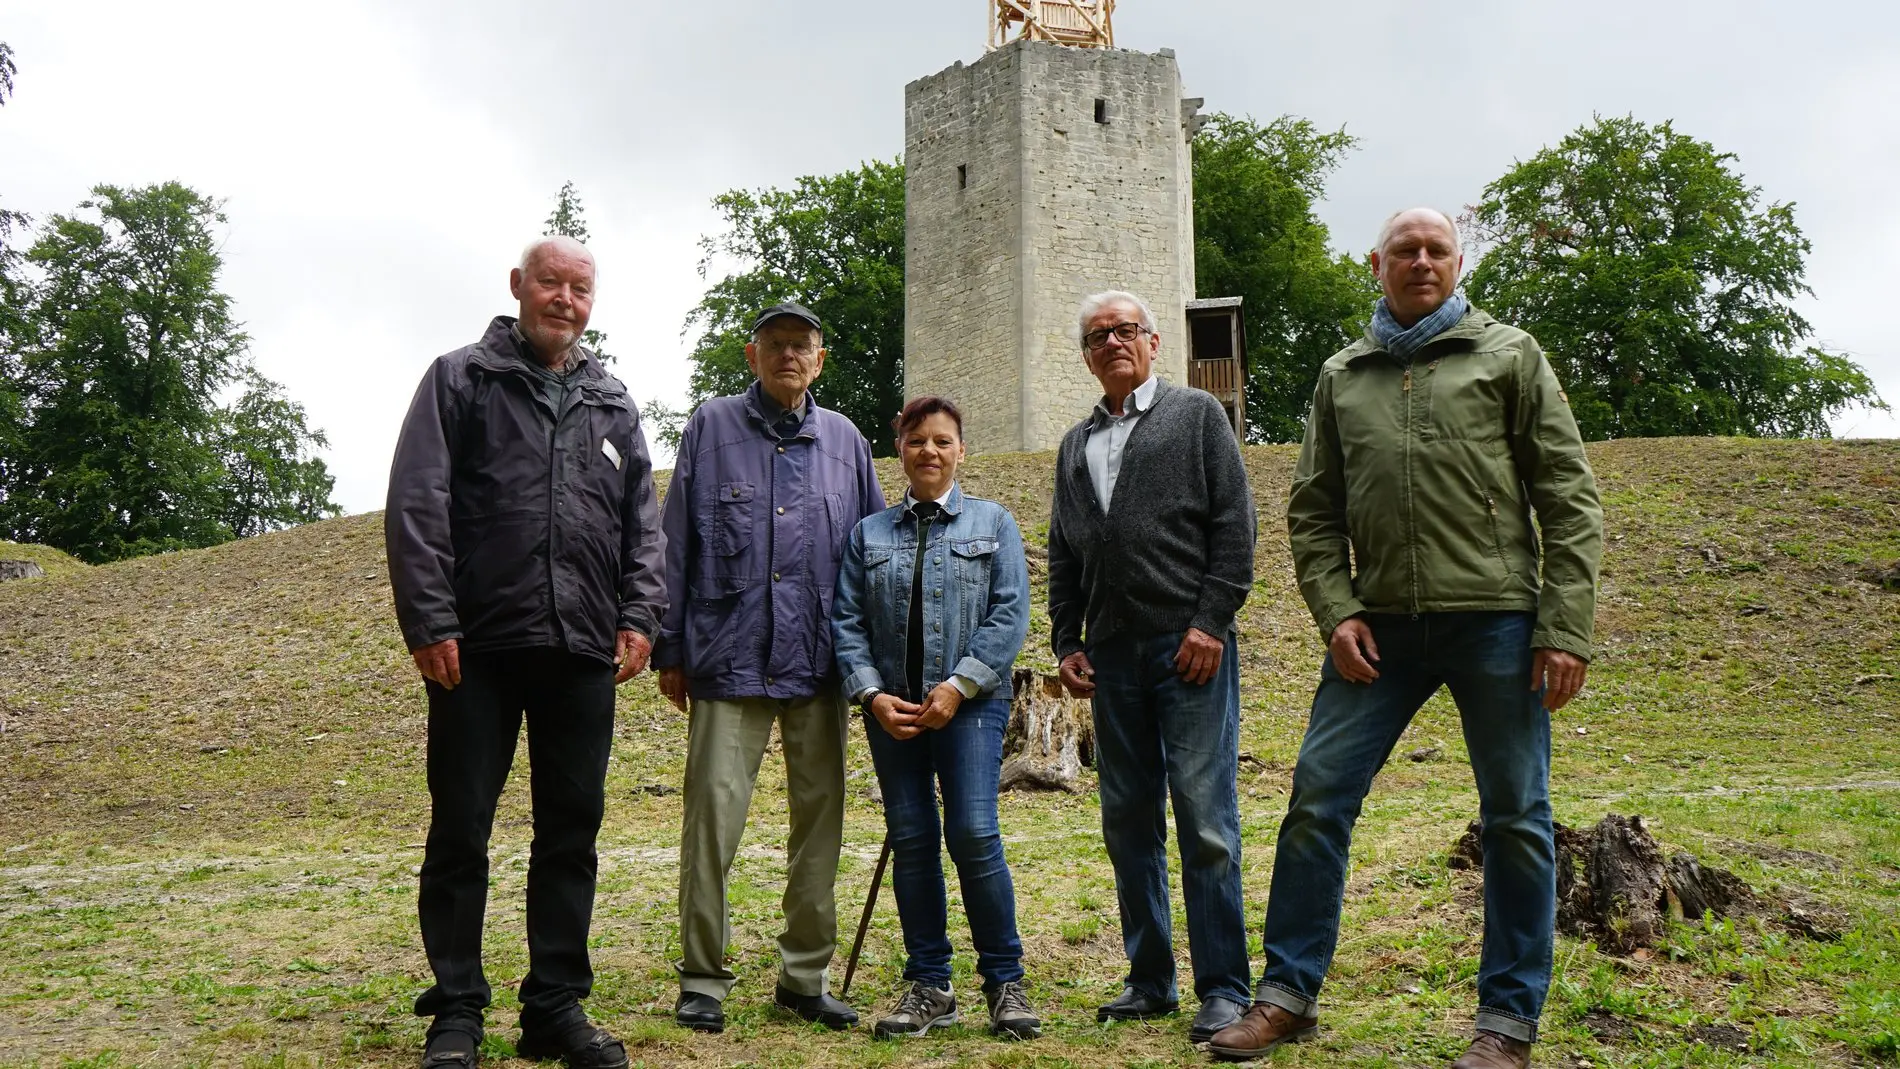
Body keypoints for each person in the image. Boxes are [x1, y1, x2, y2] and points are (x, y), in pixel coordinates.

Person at [1208, 208, 1604, 1069]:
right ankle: (1286, 994)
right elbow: (1313, 512)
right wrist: (1337, 610)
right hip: (1377, 629)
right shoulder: (1342, 375)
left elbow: (1568, 497)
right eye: (1404, 252)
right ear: (1376, 264)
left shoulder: (1509, 355)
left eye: (1435, 251)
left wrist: (1564, 626)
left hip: (1498, 621)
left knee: (1517, 817)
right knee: (1317, 795)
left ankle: (1506, 1023)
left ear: (1460, 262)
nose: (1420, 262)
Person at [386, 236, 663, 1069]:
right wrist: (429, 619)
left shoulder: (612, 401)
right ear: (518, 286)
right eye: (552, 283)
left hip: (582, 647)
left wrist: (640, 615)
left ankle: (552, 1005)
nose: (566, 300)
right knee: (462, 827)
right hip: (476, 648)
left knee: (571, 831)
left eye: (581, 289)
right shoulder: (459, 379)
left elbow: (641, 523)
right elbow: (417, 500)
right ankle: (457, 1011)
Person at [655, 302, 886, 1034]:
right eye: (776, 344)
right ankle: (702, 977)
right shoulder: (710, 426)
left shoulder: (847, 441)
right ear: (752, 356)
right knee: (711, 824)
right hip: (727, 659)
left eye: (803, 346)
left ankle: (803, 975)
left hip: (820, 663)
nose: (790, 355)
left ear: (820, 361)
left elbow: (874, 555)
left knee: (820, 825)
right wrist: (670, 647)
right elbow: (675, 542)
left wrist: (880, 662)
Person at [1047, 290, 1259, 1045]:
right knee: (1127, 820)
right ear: (1086, 353)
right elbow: (1066, 551)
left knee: (1205, 817)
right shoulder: (1075, 444)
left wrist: (1210, 623)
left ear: (1154, 341)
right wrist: (1065, 640)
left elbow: (1236, 525)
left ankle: (1226, 988)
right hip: (1109, 659)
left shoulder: (1198, 415)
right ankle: (1150, 977)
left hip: (1189, 648)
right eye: (1098, 334)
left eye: (1126, 330)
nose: (1113, 342)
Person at [831, 396, 1039, 1041]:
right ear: (901, 449)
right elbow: (846, 623)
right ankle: (930, 984)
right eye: (918, 441)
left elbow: (1010, 615)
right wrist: (869, 695)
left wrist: (958, 685)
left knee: (974, 832)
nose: (930, 452)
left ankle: (1005, 981)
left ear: (961, 450)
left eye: (943, 441)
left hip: (972, 705)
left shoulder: (994, 522)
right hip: (892, 708)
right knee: (914, 838)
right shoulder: (869, 534)